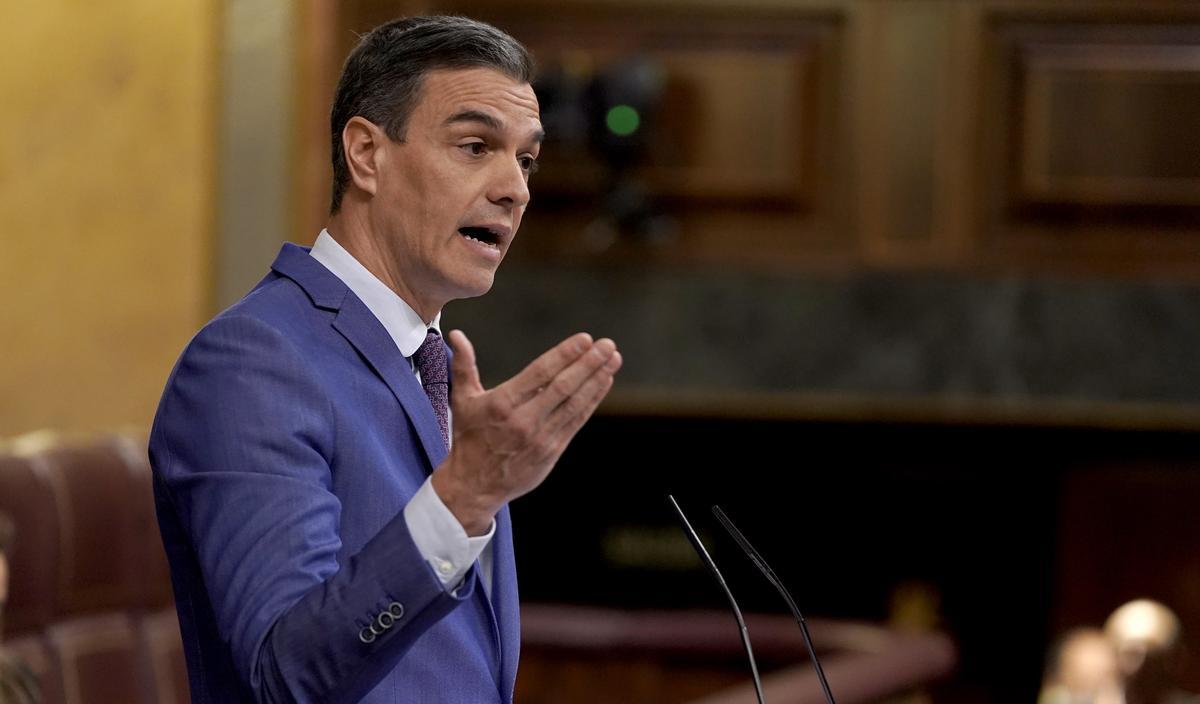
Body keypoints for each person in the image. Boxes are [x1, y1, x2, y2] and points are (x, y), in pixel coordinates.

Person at [150, 16, 622, 703]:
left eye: (525, 160)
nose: (514, 189)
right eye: (475, 146)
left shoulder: (432, 368)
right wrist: (462, 498)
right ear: (367, 154)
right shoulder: (251, 362)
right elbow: (285, 676)